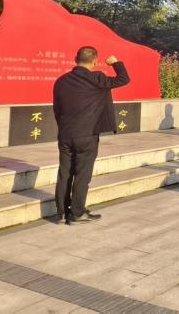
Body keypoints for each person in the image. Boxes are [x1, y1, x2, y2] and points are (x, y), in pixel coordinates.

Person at [52, 46, 130, 224]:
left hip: (65, 134)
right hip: (87, 135)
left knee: (64, 173)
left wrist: (63, 128)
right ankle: (77, 213)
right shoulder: (97, 78)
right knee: (82, 174)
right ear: (95, 61)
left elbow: (57, 109)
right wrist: (115, 63)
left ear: (75, 59)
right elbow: (124, 79)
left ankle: (61, 213)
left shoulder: (61, 81)